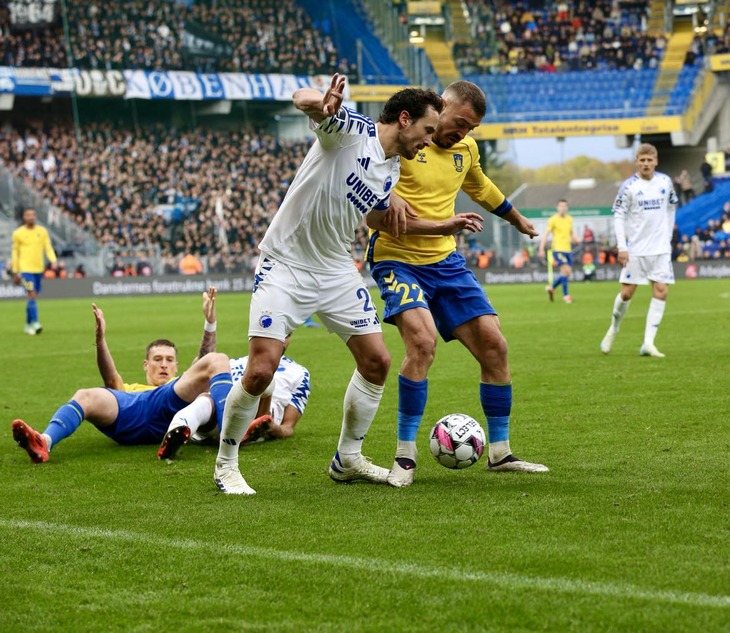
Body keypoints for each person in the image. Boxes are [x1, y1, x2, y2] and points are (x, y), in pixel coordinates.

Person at [214, 73, 443, 495]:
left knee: (377, 361)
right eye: (428, 131)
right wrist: (320, 102)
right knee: (261, 370)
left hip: (336, 269)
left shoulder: (391, 168)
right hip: (285, 263)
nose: (429, 141)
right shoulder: (351, 130)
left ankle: (348, 458)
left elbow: (372, 214)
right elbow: (303, 99)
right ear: (405, 119)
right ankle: (226, 464)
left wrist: (420, 219)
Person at [366, 80, 548, 488]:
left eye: (471, 129)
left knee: (494, 345)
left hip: (445, 262)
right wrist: (386, 196)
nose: (462, 134)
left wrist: (516, 218)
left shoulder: (465, 151)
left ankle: (500, 453)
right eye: (460, 123)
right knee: (423, 342)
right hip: (398, 258)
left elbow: (479, 186)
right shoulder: (407, 140)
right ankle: (404, 456)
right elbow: (367, 175)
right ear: (441, 106)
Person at [12, 289, 233, 463]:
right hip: (131, 411)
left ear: (177, 366)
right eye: (157, 359)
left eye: (168, 360)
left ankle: (230, 435)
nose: (163, 365)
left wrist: (210, 323)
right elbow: (110, 380)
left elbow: (205, 362)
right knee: (85, 395)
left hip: (167, 403)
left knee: (216, 360)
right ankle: (45, 441)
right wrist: (100, 339)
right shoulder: (128, 390)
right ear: (145, 365)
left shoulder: (178, 385)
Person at [158, 343, 311, 460]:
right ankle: (177, 432)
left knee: (264, 382)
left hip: (261, 416)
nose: (281, 339)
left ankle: (241, 430)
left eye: (287, 334)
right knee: (207, 399)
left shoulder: (299, 372)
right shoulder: (234, 362)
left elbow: (288, 427)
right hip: (222, 412)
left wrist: (273, 428)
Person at [600, 143, 679, 358]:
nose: (646, 164)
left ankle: (648, 343)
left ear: (656, 161)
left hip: (660, 250)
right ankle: (613, 329)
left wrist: (669, 236)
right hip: (636, 250)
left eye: (649, 160)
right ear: (636, 161)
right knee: (626, 293)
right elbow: (618, 215)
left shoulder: (665, 182)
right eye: (642, 160)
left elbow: (672, 206)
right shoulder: (629, 187)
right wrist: (622, 246)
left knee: (662, 290)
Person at [11, 207, 57, 335]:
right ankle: (36, 323)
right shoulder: (18, 233)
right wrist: (15, 271)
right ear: (24, 217)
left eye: (33, 215)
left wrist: (53, 260)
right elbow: (15, 253)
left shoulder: (42, 231)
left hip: (38, 269)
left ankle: (27, 325)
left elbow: (48, 247)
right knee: (31, 294)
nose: (31, 217)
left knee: (33, 297)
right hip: (25, 270)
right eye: (28, 215)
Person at [538, 199, 579, 303]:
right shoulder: (553, 220)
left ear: (567, 207)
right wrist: (541, 248)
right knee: (566, 271)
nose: (563, 208)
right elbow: (546, 234)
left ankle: (551, 287)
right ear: (557, 207)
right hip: (558, 249)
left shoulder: (569, 219)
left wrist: (577, 239)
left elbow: (571, 233)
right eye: (561, 206)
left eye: (565, 206)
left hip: (568, 250)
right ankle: (566, 296)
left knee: (566, 273)